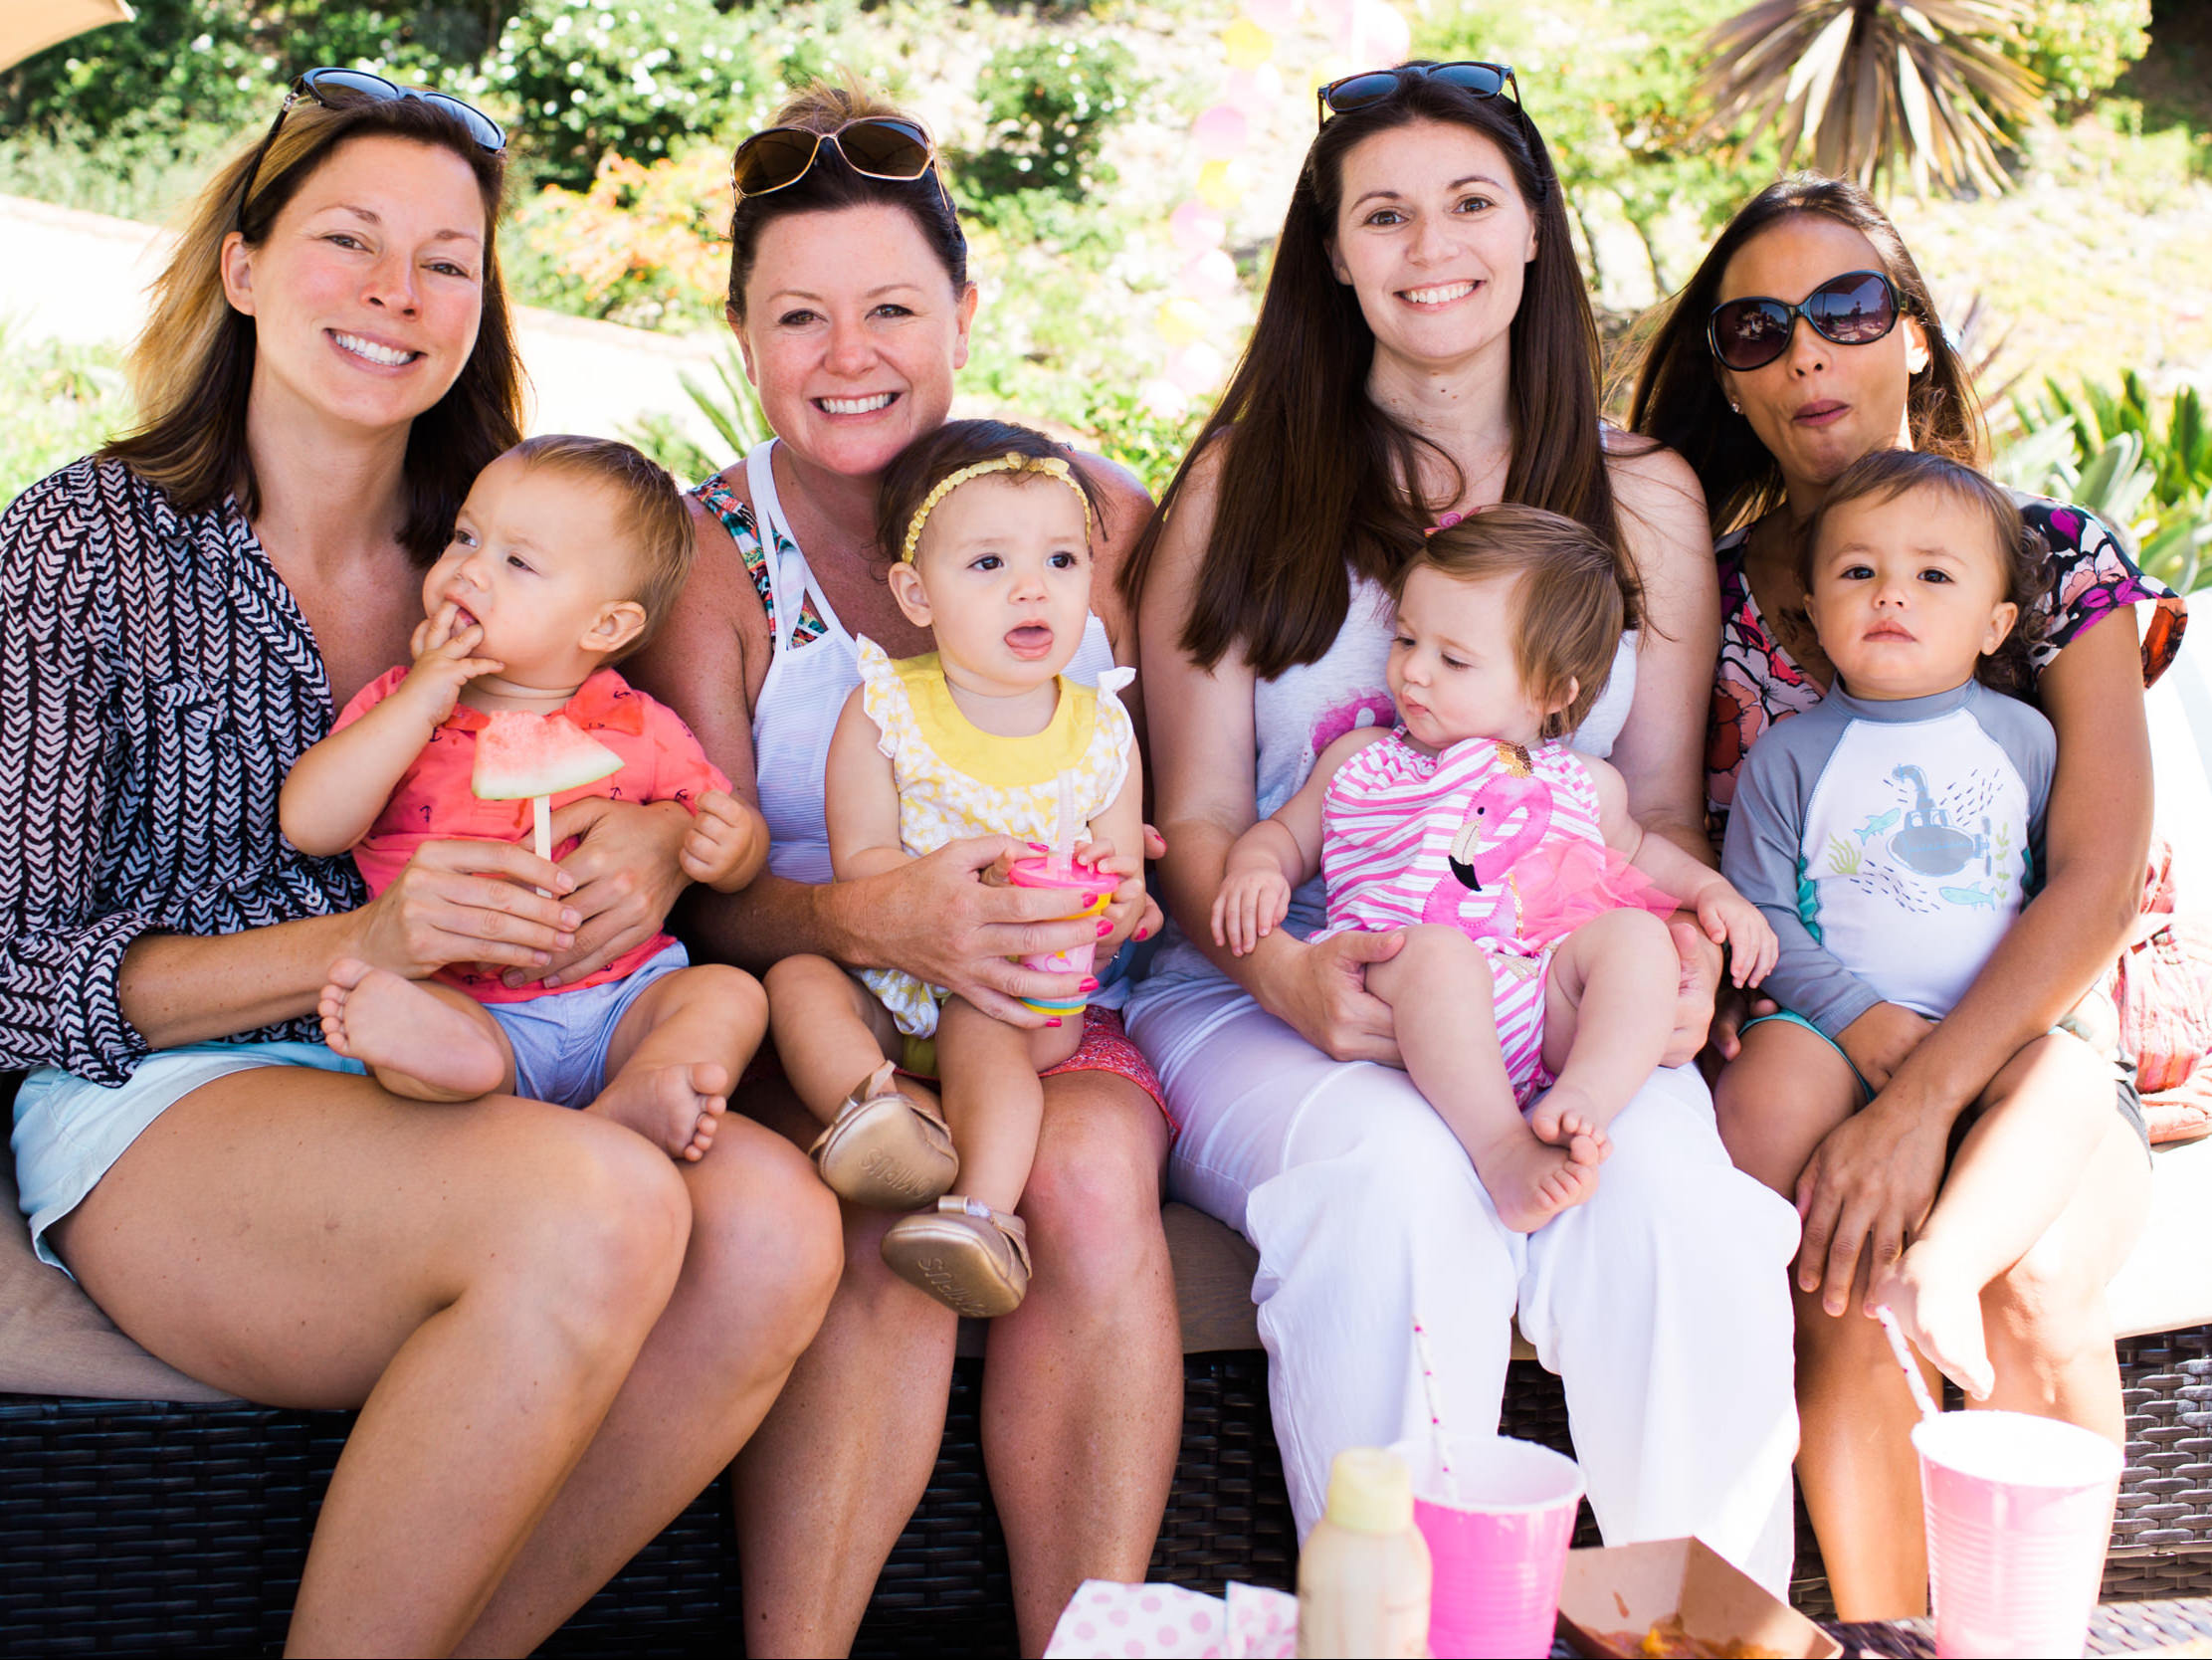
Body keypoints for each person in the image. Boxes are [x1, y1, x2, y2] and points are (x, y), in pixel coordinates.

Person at [0, 77, 838, 1655]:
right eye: (348, 240)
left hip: (487, 1060)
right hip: (173, 1095)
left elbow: (650, 770)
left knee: (774, 1226)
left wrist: (656, 842)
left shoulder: (516, 531)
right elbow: (9, 970)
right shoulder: (82, 544)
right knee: (595, 1204)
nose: (399, 293)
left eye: (447, 259)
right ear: (242, 267)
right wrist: (366, 948)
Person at [1119, 59, 1803, 1590]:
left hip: (1548, 980)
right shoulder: (1246, 488)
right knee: (1390, 1184)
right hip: (1279, 980)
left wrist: (1678, 949)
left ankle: (1693, 1628)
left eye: (1469, 203)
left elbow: (1640, 808)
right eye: (1383, 214)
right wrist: (1281, 976)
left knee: (1682, 1219)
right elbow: (1197, 823)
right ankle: (1404, 1630)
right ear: (1333, 252)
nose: (1431, 246)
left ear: (1535, 229)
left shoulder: (1644, 501)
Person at [625, 81, 1180, 1654]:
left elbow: (1139, 773)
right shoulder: (716, 555)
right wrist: (875, 914)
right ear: (743, 334)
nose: (847, 355)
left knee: (1078, 1176)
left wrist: (1111, 891)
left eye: (889, 307)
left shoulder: (1082, 514)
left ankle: (1088, 1643)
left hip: (1053, 1003)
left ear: (962, 308)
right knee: (876, 1207)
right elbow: (702, 885)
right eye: (799, 316)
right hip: (821, 1005)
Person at [1631, 172, 2184, 1617]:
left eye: (1844, 309)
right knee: (1830, 1271)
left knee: (2034, 1284)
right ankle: (1879, 1636)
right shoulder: (1702, 581)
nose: (1803, 351)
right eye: (1753, 330)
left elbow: (2095, 871)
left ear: (1913, 338)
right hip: (1806, 1028)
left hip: (2030, 1040)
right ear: (1727, 382)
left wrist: (1923, 1101)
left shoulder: (2048, 560)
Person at [1212, 506, 1776, 1231]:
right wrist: (1256, 870)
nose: (1412, 670)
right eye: (1406, 639)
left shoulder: (1582, 783)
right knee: (1438, 955)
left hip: (1543, 1006)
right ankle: (1500, 1147)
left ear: (1551, 692)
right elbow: (1283, 839)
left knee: (1638, 939)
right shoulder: (1362, 762)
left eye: (1452, 659)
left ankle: (1584, 1100)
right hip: (1403, 999)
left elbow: (1641, 852)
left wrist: (1713, 893)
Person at [283, 434, 768, 1159]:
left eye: (517, 561)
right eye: (465, 537)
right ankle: (461, 1070)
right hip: (467, 1001)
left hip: (621, 1001)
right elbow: (310, 825)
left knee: (730, 996)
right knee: (420, 1021)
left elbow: (720, 831)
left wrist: (733, 848)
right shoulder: (400, 706)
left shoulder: (640, 724)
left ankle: (643, 1091)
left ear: (606, 625)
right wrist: (420, 702)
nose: (469, 570)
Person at [765, 420, 1149, 1316]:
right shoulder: (885, 709)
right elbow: (860, 862)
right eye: (987, 565)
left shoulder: (1099, 732)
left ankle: (980, 1213)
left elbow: (1123, 886)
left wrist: (1111, 900)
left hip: (1017, 997)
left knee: (982, 1026)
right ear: (915, 591)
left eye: (1061, 561)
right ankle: (878, 1117)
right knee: (794, 983)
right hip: (894, 977)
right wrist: (934, 903)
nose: (1031, 589)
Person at [1722, 449, 2079, 1397]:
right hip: (1835, 1025)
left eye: (1931, 575)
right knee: (1763, 1095)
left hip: (1985, 1029)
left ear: (1994, 622)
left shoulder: (2024, 741)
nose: (1891, 595)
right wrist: (1856, 1019)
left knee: (2068, 1084)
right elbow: (1759, 913)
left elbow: (2053, 894)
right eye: (1857, 573)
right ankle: (1752, 1293)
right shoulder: (1788, 755)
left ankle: (1945, 1265)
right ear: (1812, 612)